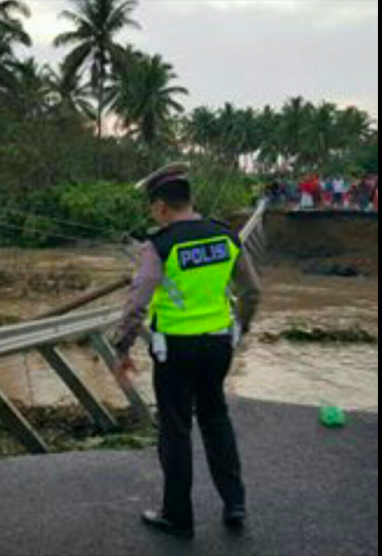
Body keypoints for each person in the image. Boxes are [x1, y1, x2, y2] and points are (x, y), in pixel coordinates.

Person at [112, 162, 261, 540]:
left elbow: (137, 303)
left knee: (175, 430)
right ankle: (235, 502)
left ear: (162, 206)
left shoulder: (159, 245)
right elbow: (251, 291)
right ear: (188, 199)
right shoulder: (225, 237)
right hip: (217, 346)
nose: (153, 215)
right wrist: (240, 327)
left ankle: (178, 518)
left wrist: (122, 347)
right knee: (215, 418)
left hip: (175, 351)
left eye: (152, 208)